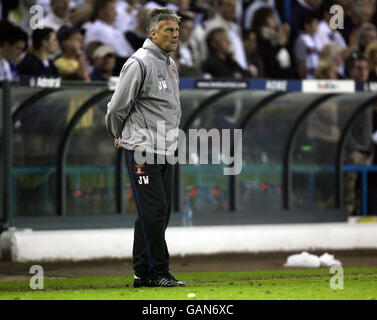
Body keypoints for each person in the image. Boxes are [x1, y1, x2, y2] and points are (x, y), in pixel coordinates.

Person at [105, 8, 186, 288]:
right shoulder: (138, 63)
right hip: (143, 149)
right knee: (154, 209)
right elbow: (117, 106)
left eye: (176, 30)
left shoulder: (170, 63)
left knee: (158, 211)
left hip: (167, 148)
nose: (175, 35)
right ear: (152, 33)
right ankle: (159, 272)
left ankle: (144, 274)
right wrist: (119, 133)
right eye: (168, 30)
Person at [344, 54, 374, 215]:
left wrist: (371, 149)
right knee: (348, 193)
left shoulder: (370, 94)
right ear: (351, 71)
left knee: (361, 193)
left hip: (367, 151)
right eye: (358, 68)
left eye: (365, 68)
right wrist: (352, 149)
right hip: (351, 151)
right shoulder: (345, 94)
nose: (363, 72)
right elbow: (342, 125)